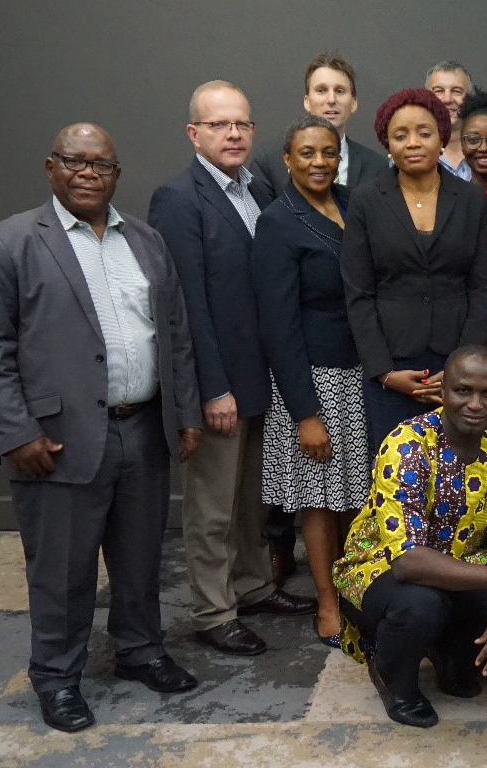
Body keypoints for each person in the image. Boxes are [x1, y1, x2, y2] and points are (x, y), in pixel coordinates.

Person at [0, 123, 203, 732]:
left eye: (102, 164)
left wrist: (184, 414)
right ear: (52, 167)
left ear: (117, 173)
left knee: (140, 557)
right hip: (57, 440)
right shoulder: (11, 242)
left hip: (143, 430)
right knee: (62, 570)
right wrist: (17, 432)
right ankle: (57, 677)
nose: (89, 173)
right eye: (75, 162)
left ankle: (141, 650)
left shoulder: (146, 241)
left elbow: (174, 336)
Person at [149, 80, 317, 659]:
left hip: (260, 376)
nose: (234, 133)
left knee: (250, 501)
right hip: (219, 382)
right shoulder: (178, 198)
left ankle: (251, 587)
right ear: (194, 133)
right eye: (220, 125)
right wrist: (211, 388)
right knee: (213, 508)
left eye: (242, 123)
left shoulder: (258, 189)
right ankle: (213, 612)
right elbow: (187, 303)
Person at [332, 346, 487, 728]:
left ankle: (447, 648)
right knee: (421, 606)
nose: (476, 404)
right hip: (378, 569)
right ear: (442, 391)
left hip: (459, 561)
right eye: (463, 391)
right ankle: (393, 676)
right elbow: (409, 561)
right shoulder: (408, 445)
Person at [250, 115, 371, 644]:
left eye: (328, 152)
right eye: (307, 153)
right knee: (319, 497)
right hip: (312, 379)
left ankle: (355, 588)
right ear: (287, 159)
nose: (319, 162)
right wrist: (305, 412)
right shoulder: (278, 222)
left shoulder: (353, 203)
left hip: (362, 370)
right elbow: (277, 325)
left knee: (356, 492)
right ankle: (327, 600)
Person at [341, 88, 487, 451]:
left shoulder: (472, 199)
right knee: (395, 478)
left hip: (457, 366)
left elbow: (482, 286)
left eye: (424, 133)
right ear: (387, 143)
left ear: (442, 138)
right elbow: (358, 293)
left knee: (457, 480)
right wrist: (384, 372)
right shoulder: (365, 200)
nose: (413, 143)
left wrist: (463, 368)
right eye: (400, 135)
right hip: (392, 366)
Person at [250, 52, 388, 192]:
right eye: (321, 90)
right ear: (307, 102)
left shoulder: (378, 168)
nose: (331, 100)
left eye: (340, 91)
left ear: (353, 103)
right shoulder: (269, 161)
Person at [426, 60, 487, 179]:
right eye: (438, 91)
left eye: (456, 91)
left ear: (470, 97)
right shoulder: (415, 155)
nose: (447, 99)